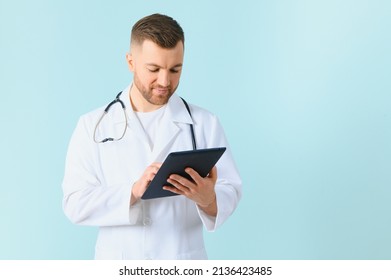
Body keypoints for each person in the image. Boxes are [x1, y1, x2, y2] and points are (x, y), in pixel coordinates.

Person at [62, 13, 242, 260]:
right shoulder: (93, 125)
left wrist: (208, 199)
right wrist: (132, 192)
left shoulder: (204, 123)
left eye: (175, 69)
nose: (165, 81)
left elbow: (230, 189)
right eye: (153, 69)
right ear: (130, 61)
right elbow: (74, 203)